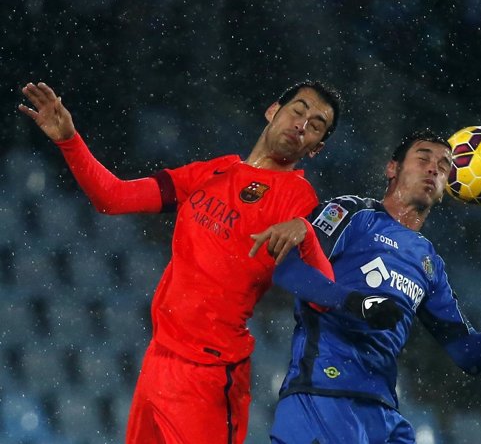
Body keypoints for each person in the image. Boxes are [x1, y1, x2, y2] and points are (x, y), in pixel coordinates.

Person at [17, 81, 401, 444]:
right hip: (158, 361)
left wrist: (307, 233)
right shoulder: (211, 172)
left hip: (210, 376)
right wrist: (69, 140)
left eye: (315, 126)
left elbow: (321, 293)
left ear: (316, 147)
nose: (301, 125)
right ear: (272, 111)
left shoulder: (298, 199)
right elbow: (113, 197)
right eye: (297, 110)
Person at [261, 129, 481, 443]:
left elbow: (467, 354)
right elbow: (288, 269)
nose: (434, 168)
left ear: (444, 189)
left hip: (382, 412)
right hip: (323, 394)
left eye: (444, 165)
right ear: (392, 168)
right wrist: (356, 303)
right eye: (423, 158)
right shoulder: (352, 214)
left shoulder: (429, 263)